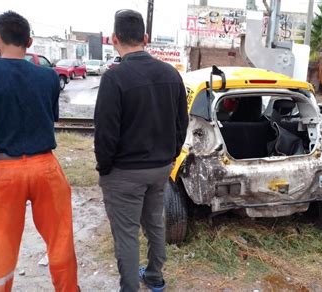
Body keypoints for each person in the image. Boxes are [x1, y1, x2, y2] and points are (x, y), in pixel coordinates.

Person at [94, 9, 189, 292]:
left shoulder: (115, 78)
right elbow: (180, 124)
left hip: (124, 172)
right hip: (159, 168)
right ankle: (155, 276)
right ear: (145, 38)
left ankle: (130, 288)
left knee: (126, 235)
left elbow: (105, 132)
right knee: (154, 224)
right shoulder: (171, 75)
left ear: (114, 39)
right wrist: (170, 155)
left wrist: (105, 167)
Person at [0, 11, 78, 291]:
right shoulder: (48, 77)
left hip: (2, 171)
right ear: (29, 41)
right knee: (60, 240)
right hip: (45, 167)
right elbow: (51, 119)